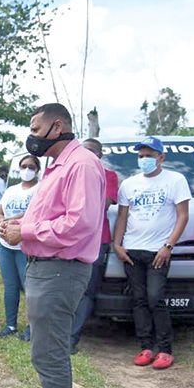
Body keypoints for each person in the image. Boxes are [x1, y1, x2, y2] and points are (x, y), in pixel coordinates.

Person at [0, 103, 105, 388]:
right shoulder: (58, 165)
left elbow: (80, 223)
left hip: (61, 269)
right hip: (48, 267)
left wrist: (26, 230)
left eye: (35, 126)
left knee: (50, 357)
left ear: (56, 126)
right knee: (47, 355)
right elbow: (55, 214)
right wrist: (19, 221)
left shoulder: (81, 164)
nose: (30, 135)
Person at [113, 136, 191, 370]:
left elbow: (183, 216)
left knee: (155, 298)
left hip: (158, 251)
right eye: (141, 156)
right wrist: (117, 245)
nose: (144, 159)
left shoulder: (175, 180)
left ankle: (165, 349)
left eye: (149, 155)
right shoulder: (129, 184)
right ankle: (145, 346)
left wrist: (168, 246)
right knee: (138, 300)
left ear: (161, 157)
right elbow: (122, 217)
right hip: (132, 251)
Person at [70, 138, 119, 353]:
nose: (86, 155)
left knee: (87, 291)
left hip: (98, 240)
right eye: (83, 150)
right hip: (70, 239)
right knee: (67, 288)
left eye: (91, 151)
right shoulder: (71, 172)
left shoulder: (109, 176)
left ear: (99, 155)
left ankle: (72, 339)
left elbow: (101, 204)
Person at [0, 155, 40, 339]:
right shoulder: (11, 190)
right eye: (23, 166)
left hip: (26, 245)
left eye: (30, 166)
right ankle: (11, 325)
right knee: (10, 286)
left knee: (29, 287)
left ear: (37, 169)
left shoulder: (40, 189)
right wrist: (1, 222)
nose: (26, 169)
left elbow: (34, 211)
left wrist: (12, 220)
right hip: (6, 244)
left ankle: (32, 326)